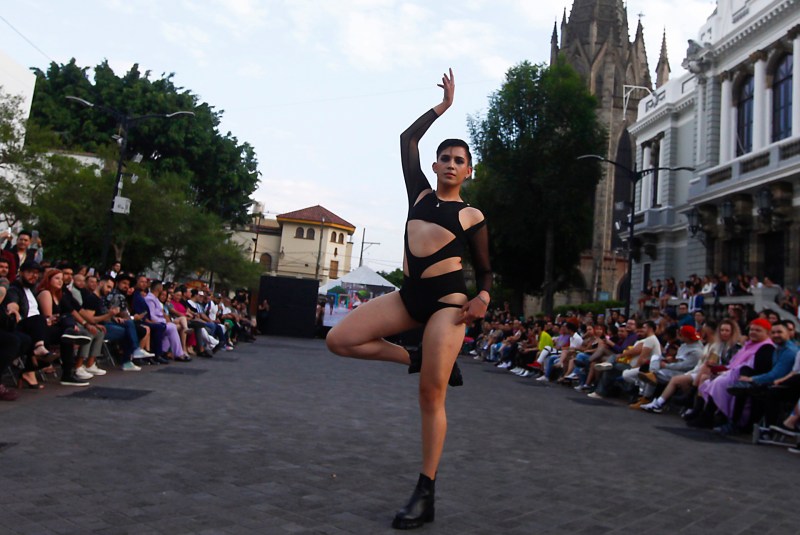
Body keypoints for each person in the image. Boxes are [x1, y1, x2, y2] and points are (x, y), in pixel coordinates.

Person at [325, 69, 491, 530]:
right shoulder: (417, 193)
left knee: (430, 395)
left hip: (447, 306)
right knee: (339, 339)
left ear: (468, 170)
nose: (452, 164)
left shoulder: (472, 214)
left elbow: (486, 270)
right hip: (408, 296)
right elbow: (406, 138)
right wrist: (443, 108)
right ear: (436, 166)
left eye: (460, 159)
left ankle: (425, 490)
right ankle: (412, 358)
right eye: (445, 158)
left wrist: (483, 297)